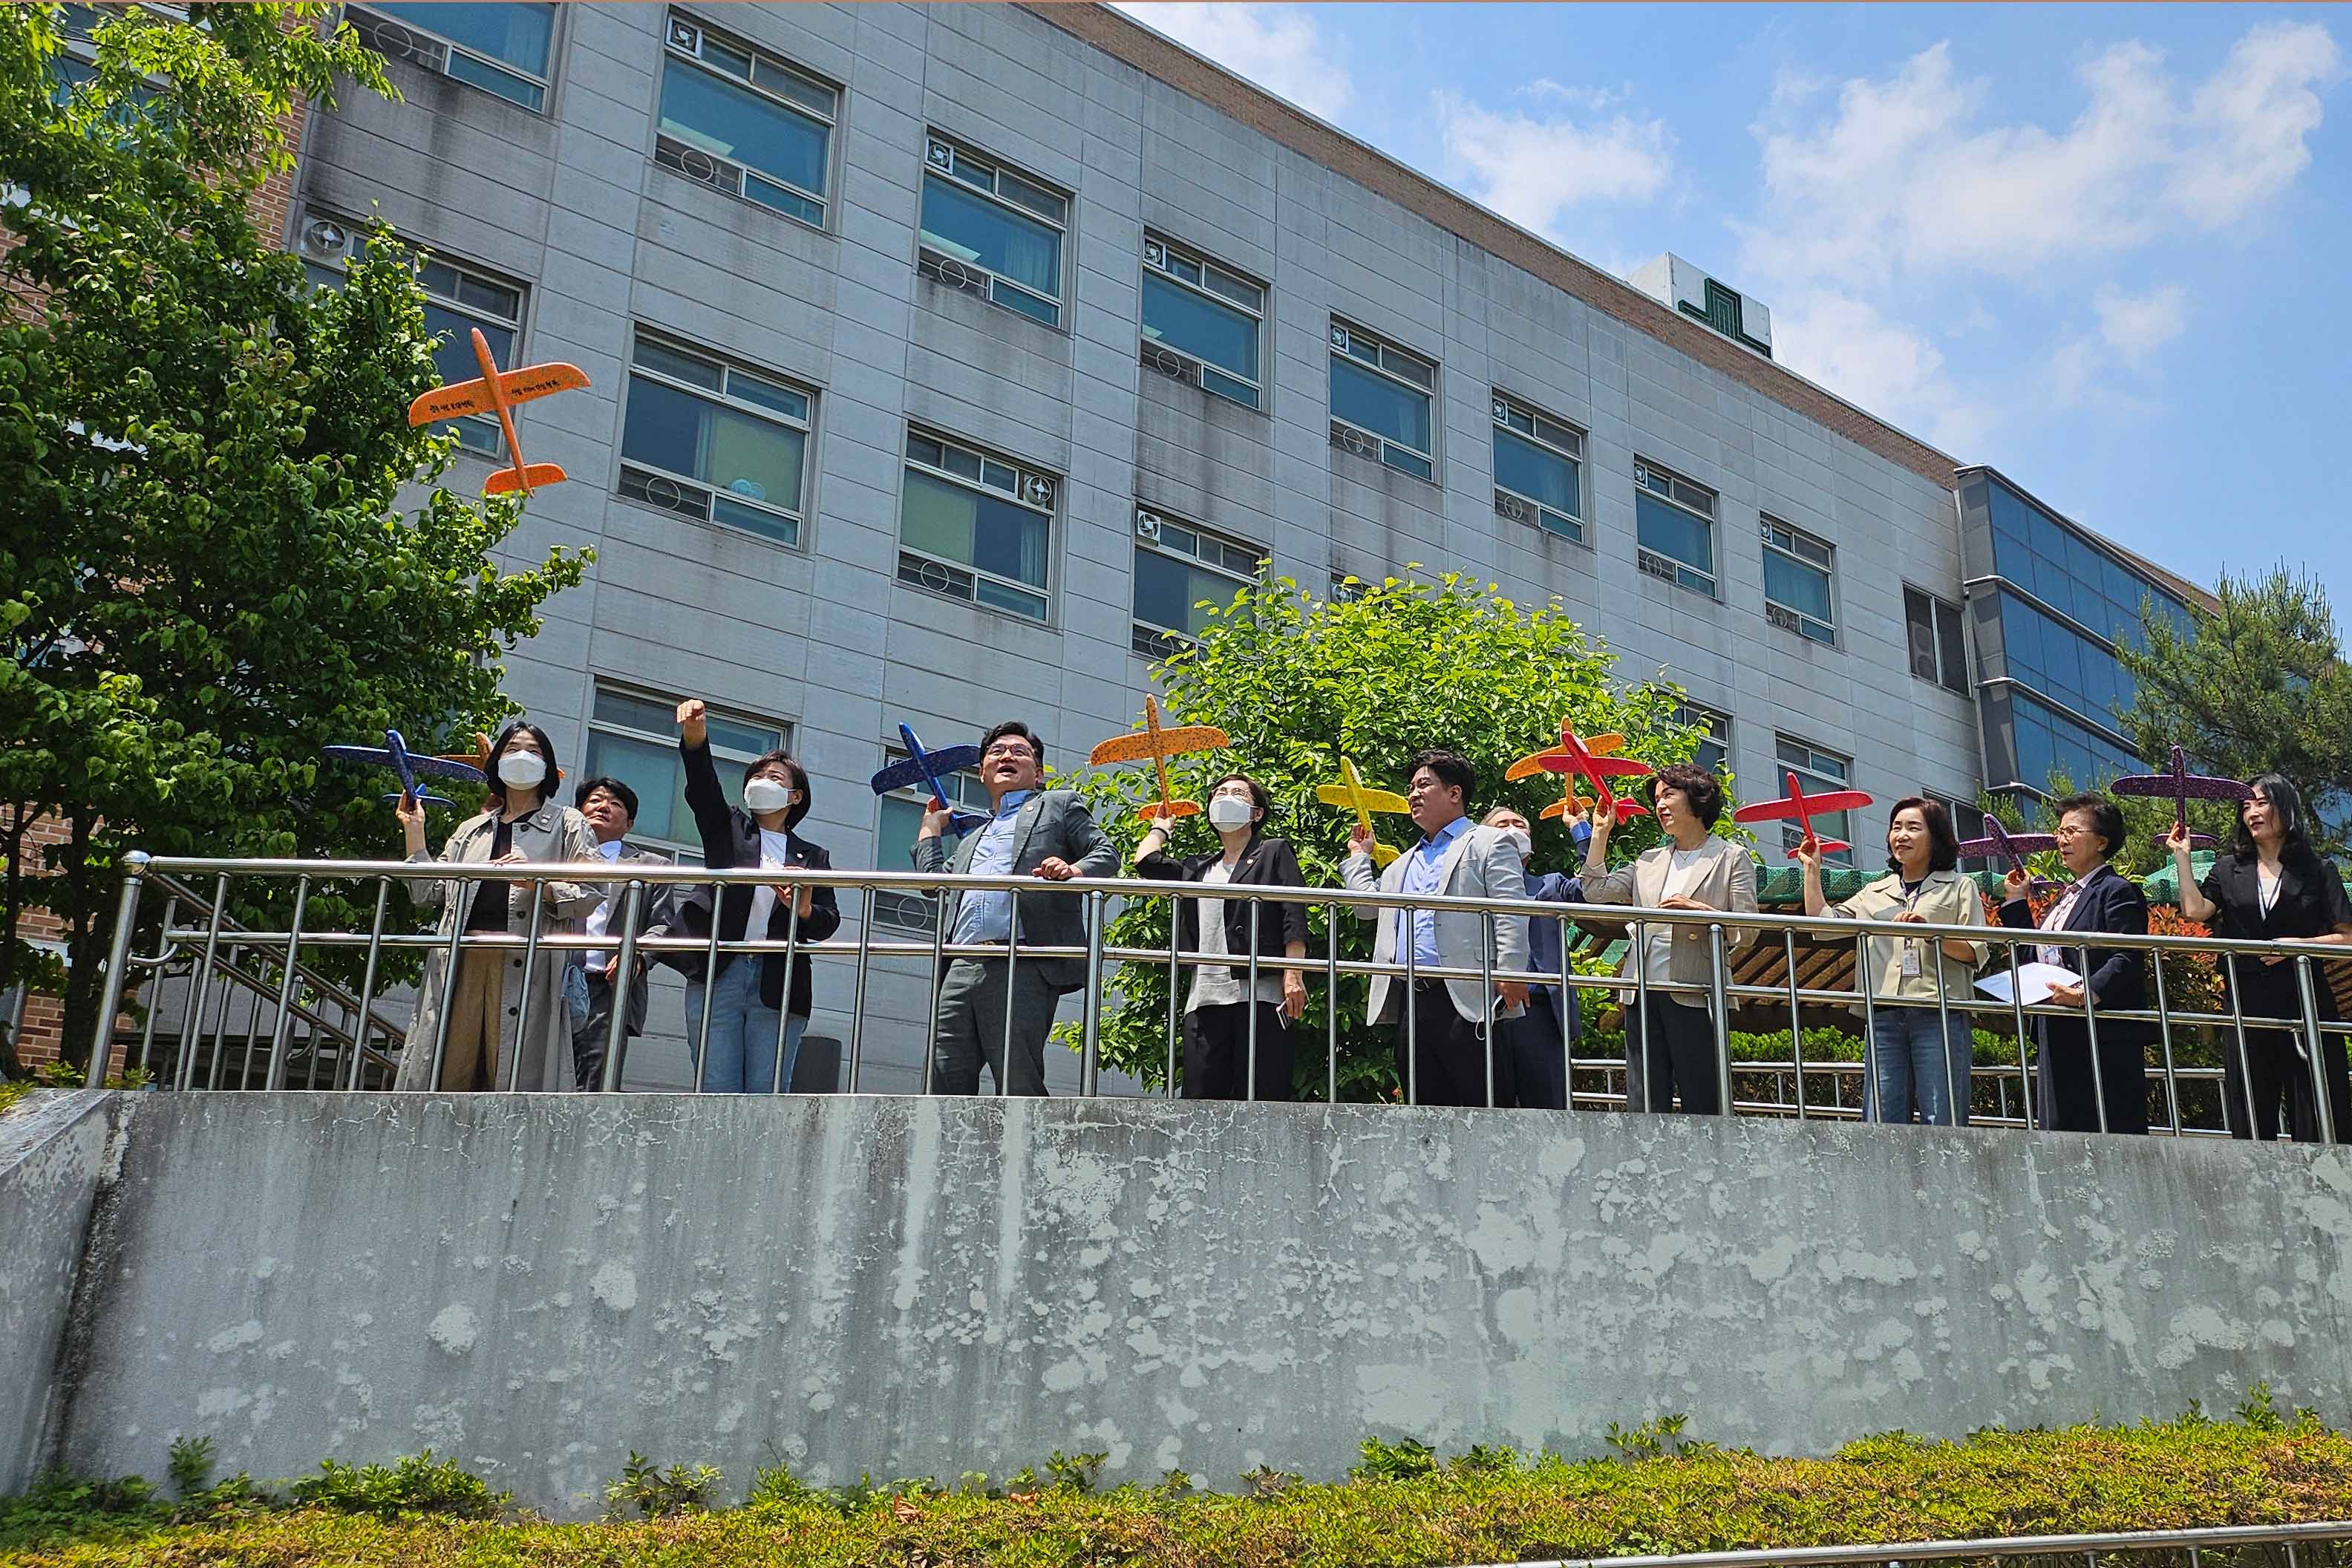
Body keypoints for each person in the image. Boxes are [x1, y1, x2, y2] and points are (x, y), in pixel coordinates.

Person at [393, 721, 600, 1092]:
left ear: (549, 767)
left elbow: (592, 891)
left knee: (516, 1079)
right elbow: (428, 892)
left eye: (534, 752)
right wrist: (415, 831)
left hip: (527, 965)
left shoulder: (567, 823)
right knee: (448, 1076)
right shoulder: (472, 829)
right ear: (497, 764)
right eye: (512, 749)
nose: (522, 758)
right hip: (463, 962)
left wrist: (539, 882)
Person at [917, 720, 1117, 1096]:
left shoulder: (1056, 804)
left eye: (1019, 752)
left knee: (1017, 1078)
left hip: (1022, 959)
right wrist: (929, 831)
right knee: (943, 1077)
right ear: (982, 772)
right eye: (996, 752)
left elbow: (1105, 854)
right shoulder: (973, 837)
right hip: (961, 962)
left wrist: (1072, 870)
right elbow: (932, 884)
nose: (1007, 756)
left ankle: (1024, 1154)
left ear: (1038, 774)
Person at [1340, 749, 1529, 1108]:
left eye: (1424, 785)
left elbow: (1510, 908)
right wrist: (1359, 857)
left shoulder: (1489, 842)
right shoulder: (1402, 864)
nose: (1413, 794)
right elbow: (1366, 908)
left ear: (1455, 793)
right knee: (1425, 1109)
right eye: (1411, 787)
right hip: (1412, 997)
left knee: (1485, 1107)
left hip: (1469, 993)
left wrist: (1510, 969)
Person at [670, 699, 840, 1094]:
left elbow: (828, 922)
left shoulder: (813, 856)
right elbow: (702, 788)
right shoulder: (728, 829)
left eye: (776, 777)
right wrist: (695, 737)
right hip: (721, 969)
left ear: (796, 797)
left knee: (767, 1089)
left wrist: (804, 909)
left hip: (779, 978)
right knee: (716, 1086)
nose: (764, 781)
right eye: (757, 775)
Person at [2170, 774, 2352, 1142]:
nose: (2252, 813)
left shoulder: (2319, 870)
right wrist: (2182, 859)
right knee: (2251, 1105)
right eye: (2245, 806)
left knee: (2316, 1104)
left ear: (2286, 808)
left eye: (2262, 803)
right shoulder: (2227, 868)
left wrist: (2299, 946)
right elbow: (2195, 910)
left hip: (2305, 1002)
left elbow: (2348, 939)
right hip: (2246, 1001)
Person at [1578, 762, 1758, 1115]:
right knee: (1643, 1095)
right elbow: (1596, 892)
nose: (1659, 805)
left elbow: (1748, 930)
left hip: (1695, 987)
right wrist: (1599, 834)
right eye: (1657, 797)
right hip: (1641, 988)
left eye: (1669, 795)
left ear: (1697, 799)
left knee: (1702, 1093)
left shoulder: (1731, 857)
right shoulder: (1648, 860)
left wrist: (1700, 911)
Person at [1798, 797, 1988, 1126]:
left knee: (1942, 1116)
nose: (1902, 835)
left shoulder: (1960, 887)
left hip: (1939, 1013)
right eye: (1896, 827)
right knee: (1883, 1119)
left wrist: (1933, 934)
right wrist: (1812, 870)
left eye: (1913, 827)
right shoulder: (1874, 892)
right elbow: (1823, 926)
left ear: (1936, 837)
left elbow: (1975, 952)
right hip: (1884, 1015)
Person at [1134, 773, 1310, 1101]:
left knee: (1261, 1098)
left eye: (1238, 793)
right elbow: (1145, 862)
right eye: (1220, 793)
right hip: (1205, 999)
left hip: (1260, 995)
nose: (1226, 797)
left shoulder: (1273, 851)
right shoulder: (1198, 868)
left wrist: (1293, 974)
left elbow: (1293, 912)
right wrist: (1161, 826)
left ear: (1256, 813)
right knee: (1200, 1101)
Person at [1996, 792, 2151, 1134]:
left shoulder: (2116, 890)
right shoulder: (2065, 897)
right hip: (2057, 1025)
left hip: (2101, 1032)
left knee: (2106, 1130)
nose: (2060, 840)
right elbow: (2034, 954)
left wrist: (2084, 993)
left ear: (2101, 842)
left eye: (2071, 832)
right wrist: (2016, 902)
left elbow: (2127, 954)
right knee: (2060, 1131)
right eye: (2060, 832)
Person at [563, 776, 670, 1092]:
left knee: (596, 1086)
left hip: (608, 989)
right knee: (541, 1079)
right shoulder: (555, 856)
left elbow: (664, 926)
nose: (603, 806)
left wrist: (638, 954)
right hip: (553, 981)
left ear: (630, 823)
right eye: (594, 800)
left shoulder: (653, 867)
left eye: (615, 803)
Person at [1481, 803, 1592, 1111]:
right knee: (1488, 1111)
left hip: (1540, 1013)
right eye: (1501, 825)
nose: (1512, 830)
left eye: (1519, 824)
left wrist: (1581, 830)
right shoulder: (1470, 886)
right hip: (1483, 1010)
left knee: (1548, 1115)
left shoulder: (1550, 885)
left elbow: (1594, 890)